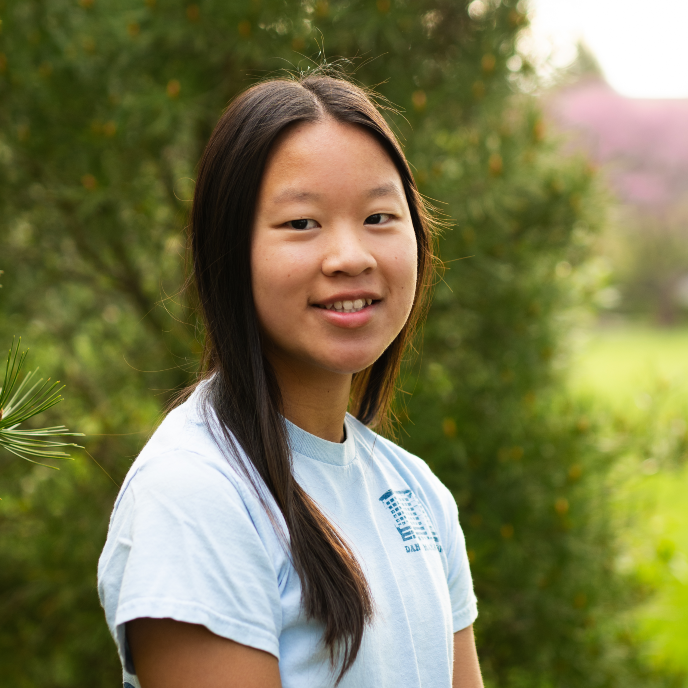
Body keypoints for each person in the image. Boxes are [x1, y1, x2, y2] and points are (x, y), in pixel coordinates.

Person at [98, 72, 482, 688]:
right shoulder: (195, 494)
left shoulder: (420, 494)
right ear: (230, 251)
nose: (351, 256)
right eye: (302, 224)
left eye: (380, 216)